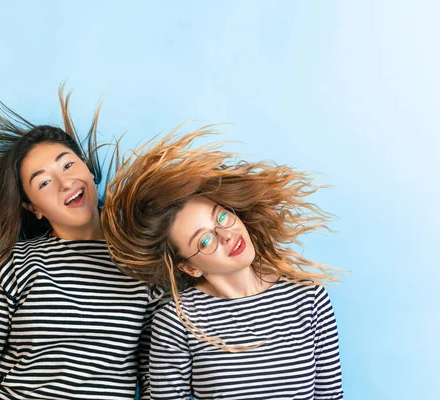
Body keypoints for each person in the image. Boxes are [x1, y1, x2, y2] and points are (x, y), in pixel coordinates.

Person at [0, 85, 161, 399]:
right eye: (44, 182)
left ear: (87, 167)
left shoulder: (141, 261)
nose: (64, 183)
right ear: (33, 207)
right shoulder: (13, 263)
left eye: (68, 165)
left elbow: (157, 375)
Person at [102, 129, 344, 399]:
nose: (227, 235)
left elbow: (330, 395)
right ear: (191, 267)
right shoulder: (176, 322)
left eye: (221, 217)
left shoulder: (308, 296)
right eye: (205, 241)